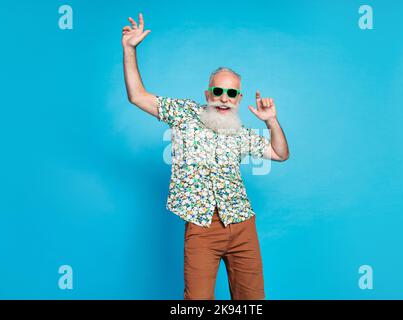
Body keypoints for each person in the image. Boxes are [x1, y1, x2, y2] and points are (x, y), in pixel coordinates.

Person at [122, 12, 290, 300]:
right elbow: (137, 96)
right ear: (208, 93)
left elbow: (279, 153)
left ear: (238, 99)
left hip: (242, 226)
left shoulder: (241, 132)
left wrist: (271, 121)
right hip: (202, 227)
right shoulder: (185, 113)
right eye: (218, 90)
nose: (224, 97)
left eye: (232, 93)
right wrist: (130, 49)